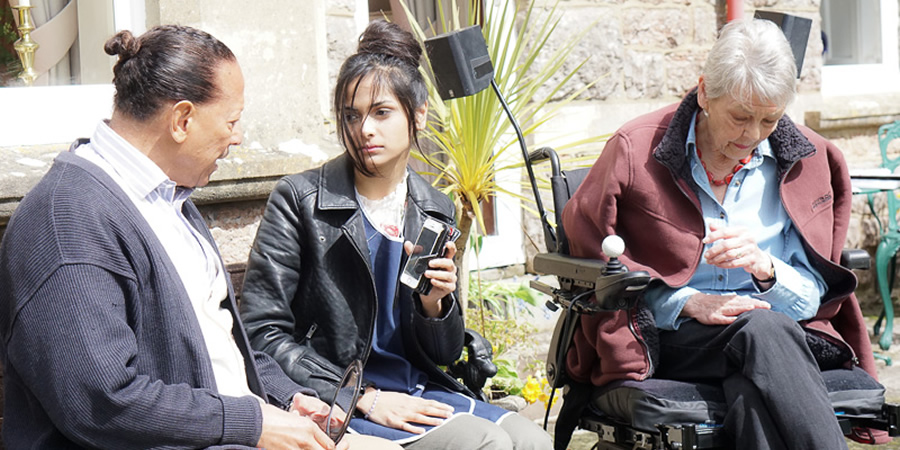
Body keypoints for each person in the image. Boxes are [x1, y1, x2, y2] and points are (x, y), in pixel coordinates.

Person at [0, 24, 385, 449]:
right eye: (232, 121)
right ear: (182, 119)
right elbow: (102, 403)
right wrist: (251, 422)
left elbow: (214, 341)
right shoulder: (67, 221)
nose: (237, 138)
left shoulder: (167, 197)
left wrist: (287, 397)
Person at [562, 19, 879, 449]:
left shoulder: (808, 158)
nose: (752, 136)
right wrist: (689, 301)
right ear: (705, 92)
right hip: (674, 338)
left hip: (783, 341)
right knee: (762, 331)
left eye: (770, 120)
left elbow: (812, 298)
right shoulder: (636, 150)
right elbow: (599, 266)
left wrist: (767, 269)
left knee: (751, 391)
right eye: (740, 117)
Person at [239, 19, 552, 450]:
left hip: (418, 391)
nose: (364, 129)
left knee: (534, 441)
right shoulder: (300, 200)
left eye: (381, 112)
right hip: (341, 400)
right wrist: (362, 396)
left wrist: (434, 305)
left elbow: (442, 354)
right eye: (351, 115)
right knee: (486, 444)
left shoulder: (433, 208)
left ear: (417, 114)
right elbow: (263, 333)